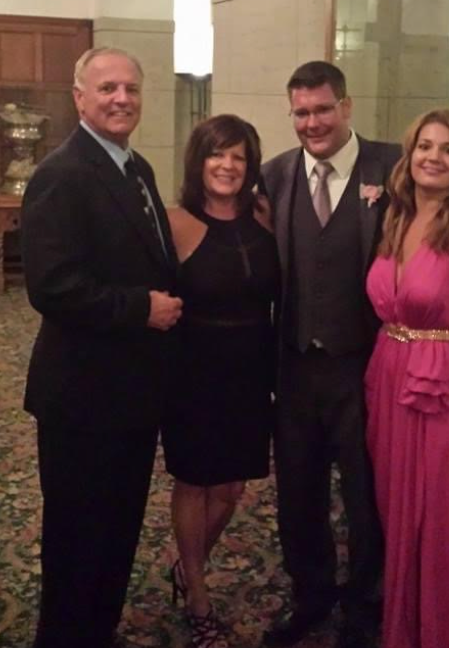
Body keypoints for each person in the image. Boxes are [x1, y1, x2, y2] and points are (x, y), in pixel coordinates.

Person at [259, 61, 449, 648]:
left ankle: (367, 605)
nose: (313, 121)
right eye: (301, 112)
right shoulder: (274, 177)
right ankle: (312, 595)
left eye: (324, 108)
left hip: (365, 366)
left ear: (346, 107)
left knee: (370, 497)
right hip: (294, 366)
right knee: (299, 494)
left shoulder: (388, 168)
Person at [20, 47, 182, 648]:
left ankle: (99, 631)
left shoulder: (135, 167)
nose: (122, 99)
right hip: (81, 401)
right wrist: (142, 307)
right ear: (79, 96)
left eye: (132, 89)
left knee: (118, 532)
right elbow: (53, 287)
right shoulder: (60, 174)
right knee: (77, 539)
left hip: (133, 398)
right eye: (108, 88)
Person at [365, 108, 449, 648]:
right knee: (400, 520)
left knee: (444, 527)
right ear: (410, 153)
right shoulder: (396, 219)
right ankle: (403, 631)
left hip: (446, 391)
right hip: (390, 382)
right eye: (425, 145)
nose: (434, 158)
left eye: (448, 149)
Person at [160, 115, 278, 648]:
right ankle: (200, 594)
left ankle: (188, 567)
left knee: (232, 487)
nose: (227, 165)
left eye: (238, 156)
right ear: (198, 160)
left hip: (252, 368)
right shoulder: (174, 221)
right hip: (194, 370)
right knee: (196, 481)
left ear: (250, 165)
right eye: (217, 154)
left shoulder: (264, 215)